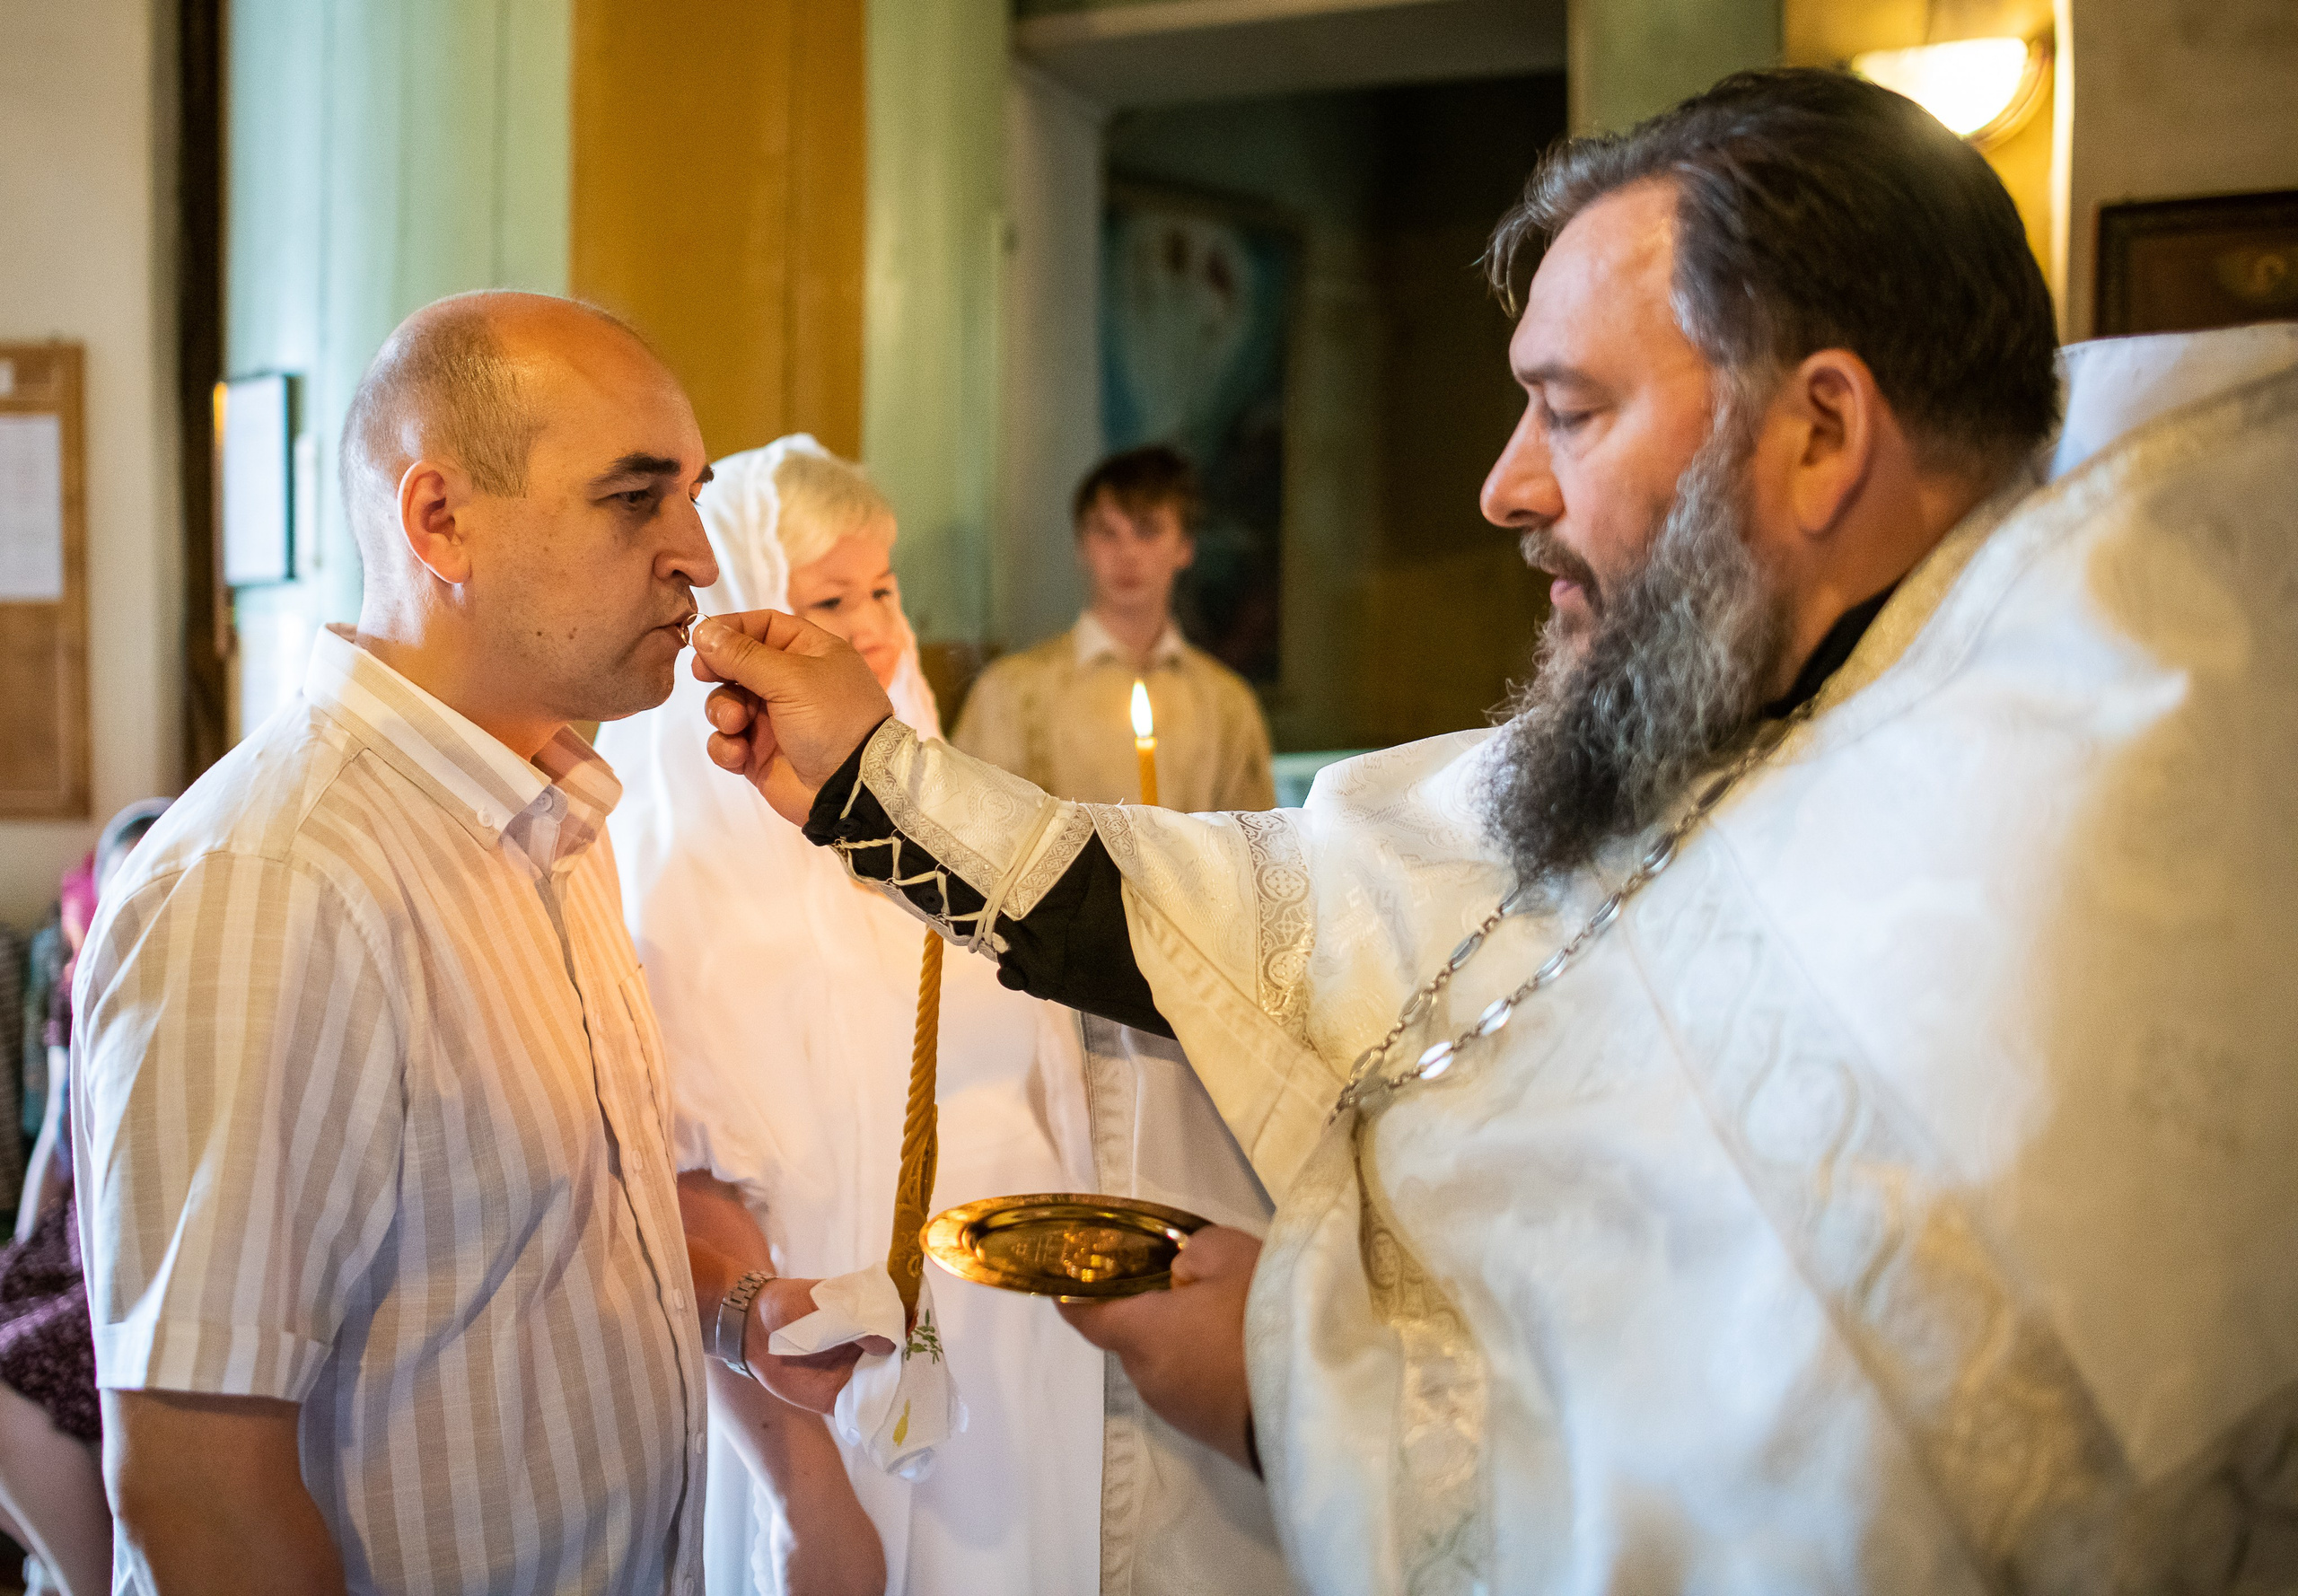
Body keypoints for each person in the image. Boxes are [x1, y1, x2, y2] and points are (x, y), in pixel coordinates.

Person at [685, 69, 2298, 1592]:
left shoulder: (2044, 882)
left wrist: (1283, 1389)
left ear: (1820, 433)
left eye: (1570, 412)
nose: (1503, 488)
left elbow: (1833, 1504)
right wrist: (867, 772)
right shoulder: (1745, 701)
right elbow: (1297, 899)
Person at [71, 292, 854, 1596]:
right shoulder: (278, 881)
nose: (701, 556)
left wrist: (732, 1311)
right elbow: (197, 1481)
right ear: (440, 519)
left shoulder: (551, 810)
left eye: (695, 495)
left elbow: (528, 1223)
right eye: (634, 499)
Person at [599, 436, 1104, 1596]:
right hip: (832, 1395)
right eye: (829, 597)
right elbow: (692, 1218)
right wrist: (805, 1499)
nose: (875, 625)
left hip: (1014, 1367)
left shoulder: (946, 823)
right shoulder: (685, 881)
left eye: (883, 587)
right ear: (749, 618)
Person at [0, 800, 166, 1596]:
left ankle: (81, 1577)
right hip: (73, 1234)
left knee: (12, 1363)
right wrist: (24, 1246)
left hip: (131, 1239)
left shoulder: (190, 990)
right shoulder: (82, 985)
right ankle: (51, 1553)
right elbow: (58, 1138)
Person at [952, 446, 1275, 811]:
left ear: (1185, 547)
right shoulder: (1009, 693)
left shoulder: (1227, 704)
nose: (1127, 554)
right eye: (1107, 533)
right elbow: (971, 832)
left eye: (1147, 531)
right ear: (1080, 545)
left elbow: (1255, 847)